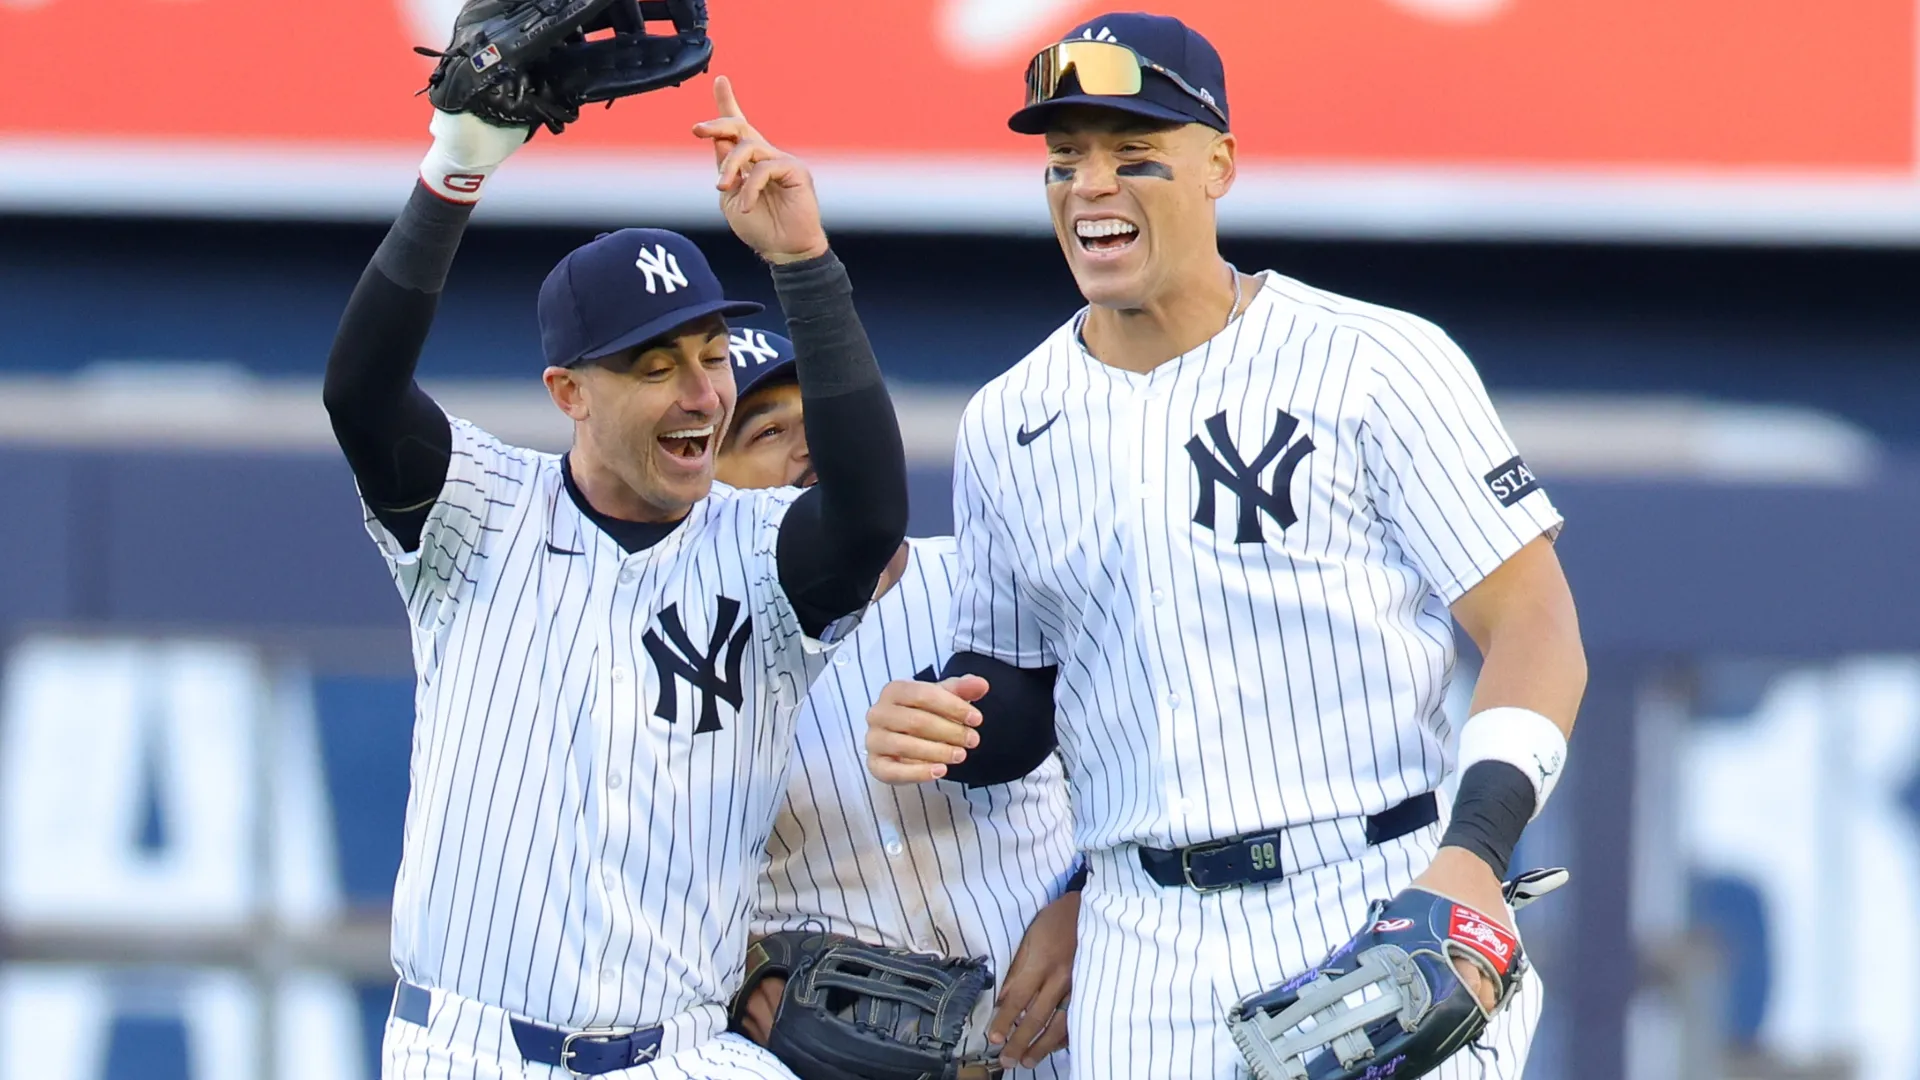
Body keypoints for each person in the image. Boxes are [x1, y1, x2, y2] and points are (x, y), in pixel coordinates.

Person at [864, 12, 1586, 1080]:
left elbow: (1535, 623)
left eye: (1134, 156)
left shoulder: (1373, 361)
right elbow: (1021, 694)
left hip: (1371, 892)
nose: (1090, 187)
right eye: (1065, 162)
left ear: (1220, 167)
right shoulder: (1010, 420)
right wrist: (946, 719)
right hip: (1141, 942)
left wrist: (1472, 858)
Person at [322, 66, 908, 1079]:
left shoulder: (762, 549)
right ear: (568, 392)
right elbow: (362, 395)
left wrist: (806, 263)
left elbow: (869, 516)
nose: (700, 393)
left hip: (682, 1054)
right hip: (470, 1048)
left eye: (713, 353)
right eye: (653, 366)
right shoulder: (478, 513)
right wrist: (455, 169)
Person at [713, 330, 1081, 1077]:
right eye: (768, 431)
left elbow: (1148, 768)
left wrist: (1087, 905)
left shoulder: (988, 582)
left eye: (822, 420)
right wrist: (738, 972)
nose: (809, 449)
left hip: (1059, 1042)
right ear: (712, 476)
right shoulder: (698, 650)